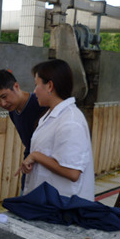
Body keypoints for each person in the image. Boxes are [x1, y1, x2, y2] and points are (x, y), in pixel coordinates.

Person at [19, 59, 95, 201]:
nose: (34, 91)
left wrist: (36, 156)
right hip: (48, 201)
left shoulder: (71, 121)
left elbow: (72, 172)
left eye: (36, 85)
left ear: (49, 86)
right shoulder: (51, 115)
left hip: (64, 204)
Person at [0, 69, 47, 160]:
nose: (3, 103)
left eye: (4, 96)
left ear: (16, 86)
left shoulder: (40, 103)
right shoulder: (12, 111)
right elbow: (29, 145)